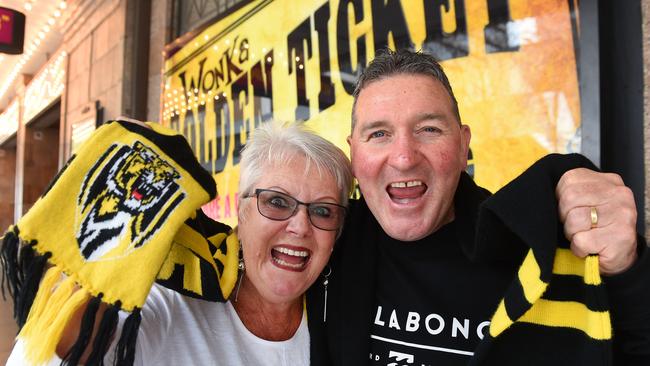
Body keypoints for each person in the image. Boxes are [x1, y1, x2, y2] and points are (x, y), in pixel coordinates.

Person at [308, 49, 650, 365]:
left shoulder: (533, 252)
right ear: (354, 154)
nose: (403, 157)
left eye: (428, 129)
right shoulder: (325, 243)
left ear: (462, 147)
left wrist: (627, 273)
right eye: (379, 134)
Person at [6, 120, 353, 365]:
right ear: (241, 214)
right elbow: (48, 354)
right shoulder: (170, 303)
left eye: (323, 211)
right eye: (277, 202)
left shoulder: (338, 318)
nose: (300, 226)